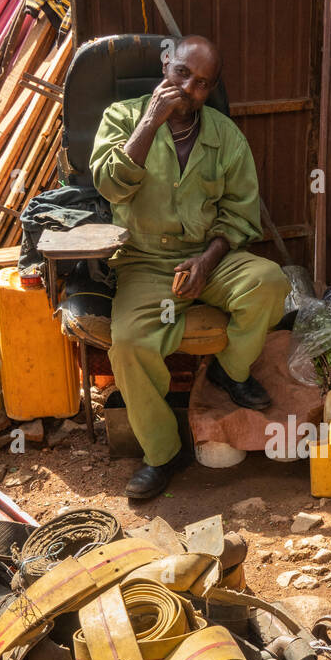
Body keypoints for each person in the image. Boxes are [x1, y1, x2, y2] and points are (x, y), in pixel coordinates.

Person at [90, 34, 289, 498]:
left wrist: (207, 260)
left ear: (211, 89)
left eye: (202, 83)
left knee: (268, 282)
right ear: (165, 64)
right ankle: (162, 453)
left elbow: (240, 214)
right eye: (182, 73)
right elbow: (111, 186)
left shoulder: (224, 135)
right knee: (129, 343)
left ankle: (229, 370)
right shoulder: (121, 117)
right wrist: (150, 121)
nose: (188, 88)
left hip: (209, 255)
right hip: (144, 260)